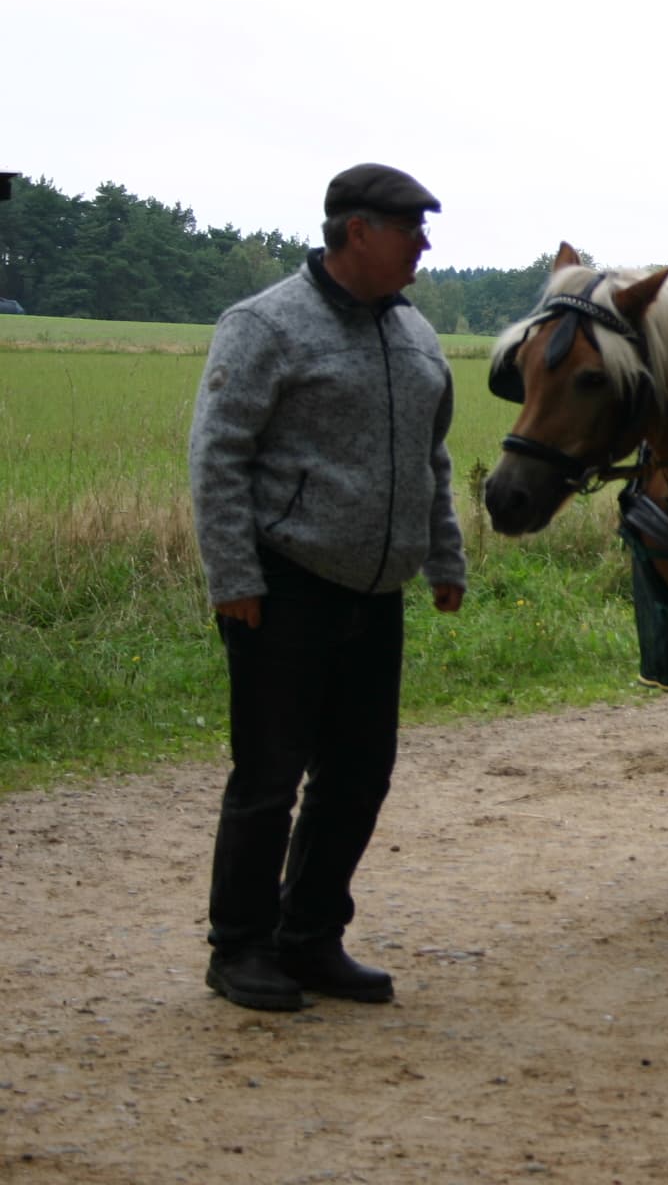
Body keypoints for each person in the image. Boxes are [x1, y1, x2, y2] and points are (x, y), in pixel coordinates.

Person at [188, 163, 467, 1011]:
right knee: (269, 777)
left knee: (359, 774)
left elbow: (432, 458)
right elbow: (218, 455)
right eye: (411, 229)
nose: (424, 245)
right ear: (357, 231)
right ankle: (240, 947)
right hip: (284, 587)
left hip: (376, 593)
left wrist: (443, 557)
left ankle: (309, 937)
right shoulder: (266, 325)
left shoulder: (415, 334)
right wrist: (234, 575)